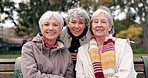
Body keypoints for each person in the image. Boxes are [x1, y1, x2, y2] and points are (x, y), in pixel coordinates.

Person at [75, 6, 137, 78]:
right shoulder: (82, 50)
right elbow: (80, 75)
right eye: (95, 22)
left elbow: (126, 73)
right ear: (91, 26)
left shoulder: (123, 45)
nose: (99, 25)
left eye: (103, 22)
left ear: (110, 27)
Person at [21, 11, 74, 78]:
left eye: (55, 25)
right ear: (41, 28)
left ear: (60, 29)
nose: (51, 28)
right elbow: (30, 76)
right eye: (46, 24)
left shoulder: (66, 53)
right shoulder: (29, 48)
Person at [59, 7, 92, 77]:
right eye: (73, 22)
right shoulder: (60, 33)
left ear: (85, 24)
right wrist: (66, 56)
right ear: (68, 23)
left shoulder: (92, 34)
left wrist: (81, 56)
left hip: (86, 71)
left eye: (81, 23)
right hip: (64, 70)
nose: (76, 26)